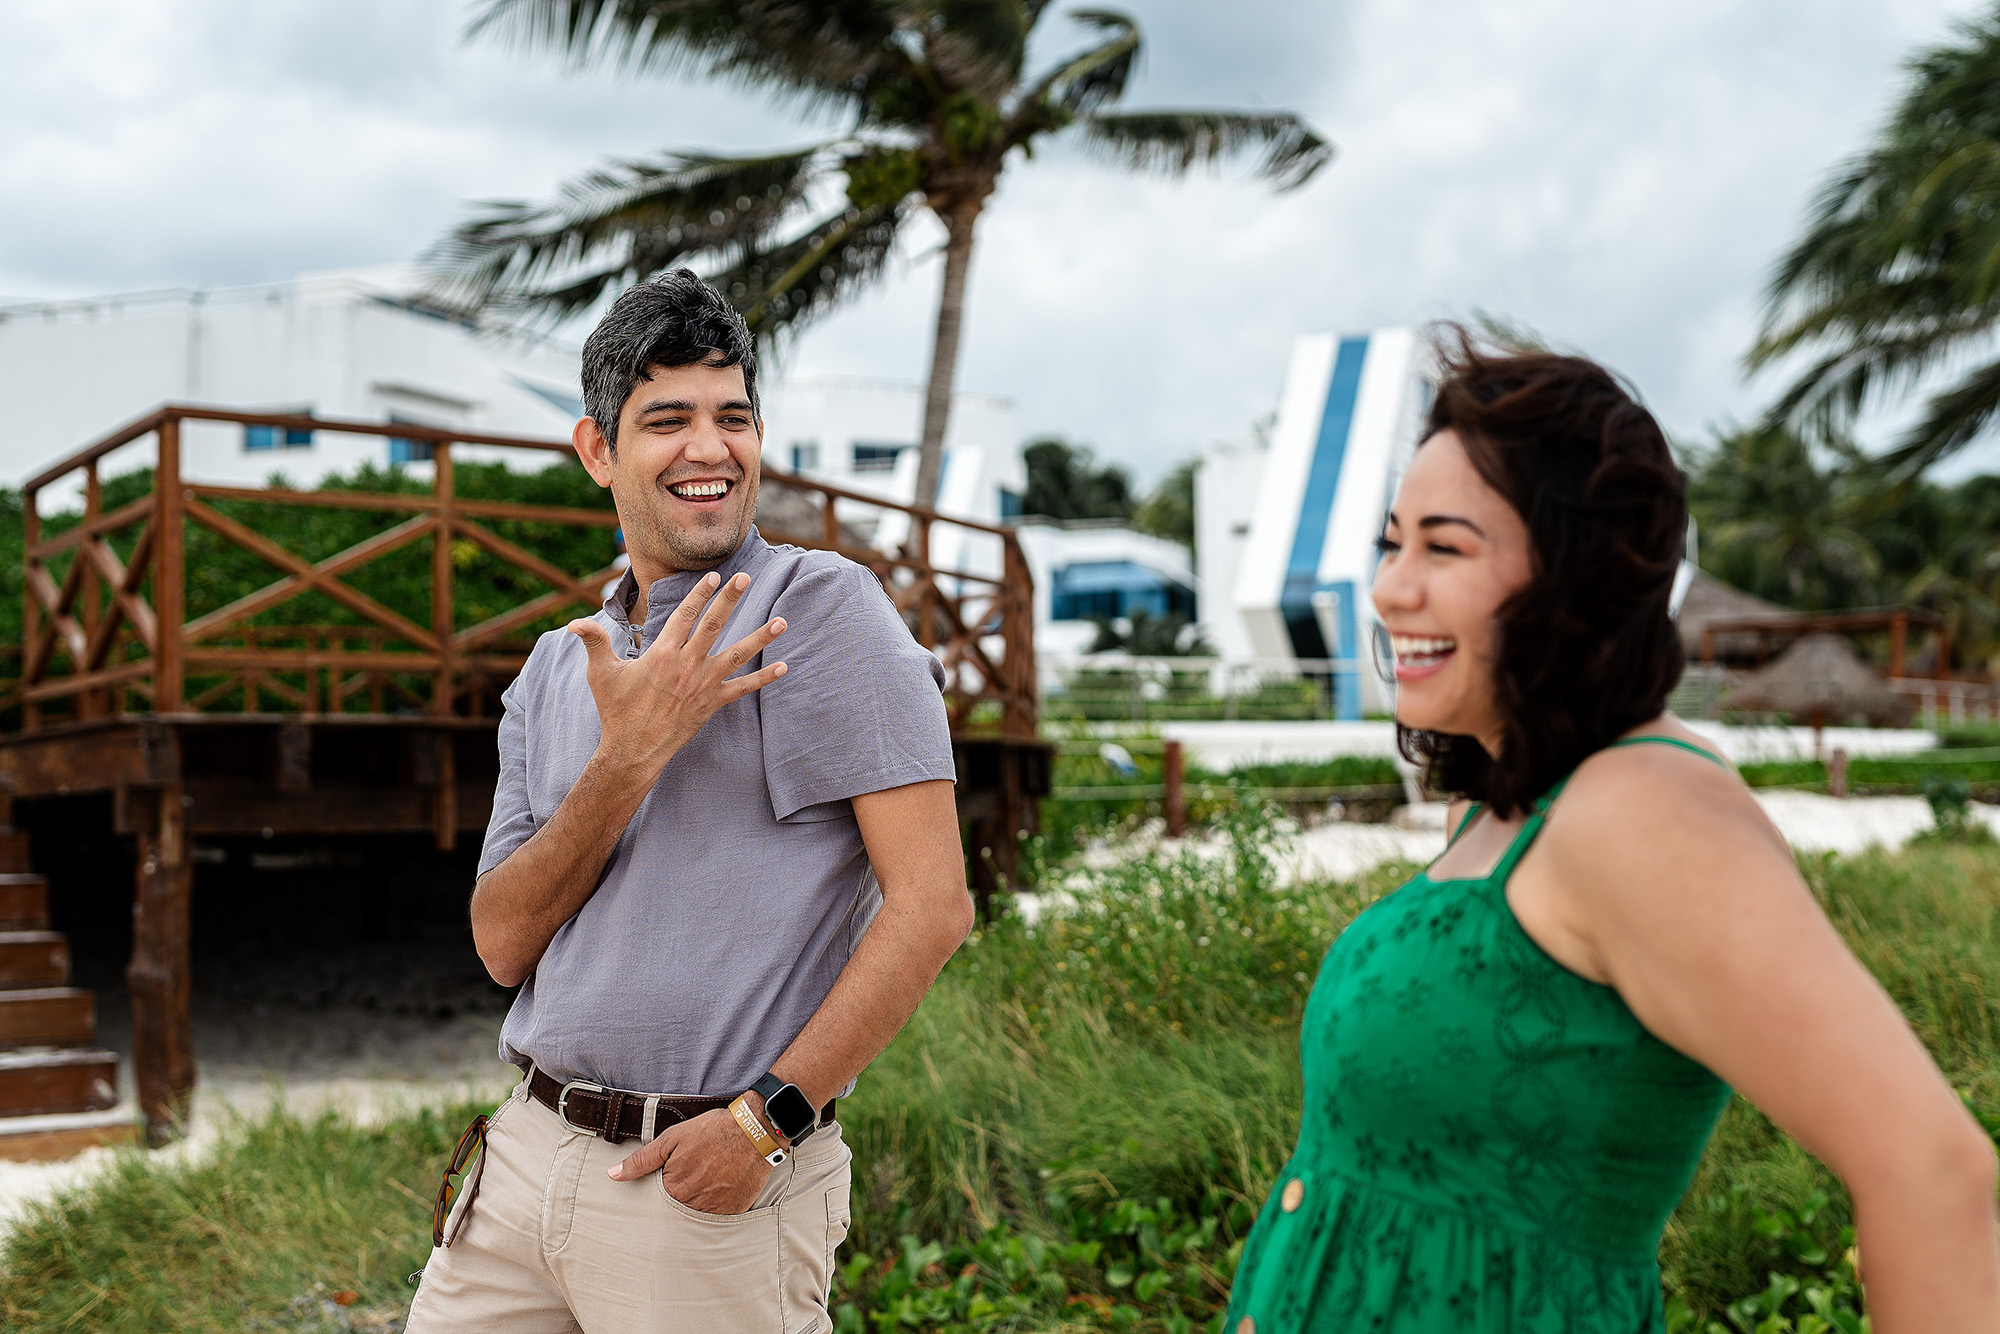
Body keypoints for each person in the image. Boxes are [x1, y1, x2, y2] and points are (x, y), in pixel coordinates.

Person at [1222, 331, 2000, 1333]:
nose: (1389, 588)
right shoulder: (1503, 804)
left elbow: (1929, 1170)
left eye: (1444, 546)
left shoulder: (1641, 807)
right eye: (1392, 539)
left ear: (1573, 577)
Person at [406, 270, 974, 1333]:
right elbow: (500, 941)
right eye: (666, 419)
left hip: (703, 1181)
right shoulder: (549, 667)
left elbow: (932, 904)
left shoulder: (824, 613)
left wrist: (766, 1121)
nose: (708, 449)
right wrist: (631, 753)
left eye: (733, 417)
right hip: (524, 1154)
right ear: (595, 450)